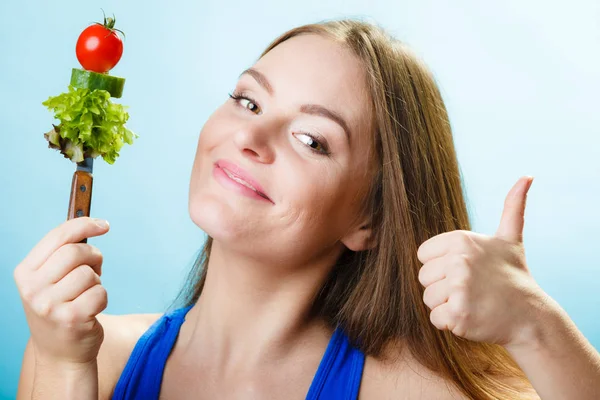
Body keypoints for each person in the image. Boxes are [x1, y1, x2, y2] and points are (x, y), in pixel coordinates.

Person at [14, 18, 600, 400]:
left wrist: (535, 324)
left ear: (367, 220)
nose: (252, 136)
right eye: (247, 100)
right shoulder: (89, 355)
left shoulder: (406, 390)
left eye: (311, 139)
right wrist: (65, 371)